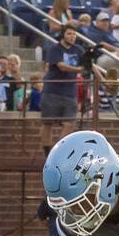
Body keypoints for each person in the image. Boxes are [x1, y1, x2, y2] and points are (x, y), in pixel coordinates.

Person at [39, 23, 84, 155]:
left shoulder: (79, 50)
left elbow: (88, 64)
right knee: (48, 123)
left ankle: (59, 152)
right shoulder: (55, 49)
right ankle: (47, 153)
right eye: (69, 33)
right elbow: (61, 66)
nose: (72, 36)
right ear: (63, 35)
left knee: (69, 123)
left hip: (70, 92)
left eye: (74, 34)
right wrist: (78, 69)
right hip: (52, 90)